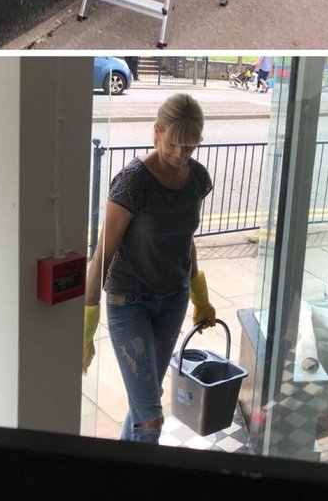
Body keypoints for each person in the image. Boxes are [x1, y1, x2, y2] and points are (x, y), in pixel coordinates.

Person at [82, 93, 215, 444]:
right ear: (156, 133)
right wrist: (87, 321)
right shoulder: (133, 182)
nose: (180, 155)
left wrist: (200, 296)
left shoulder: (198, 178)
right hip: (130, 303)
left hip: (174, 299)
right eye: (173, 144)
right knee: (152, 419)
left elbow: (186, 239)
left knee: (145, 406)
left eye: (189, 146)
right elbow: (103, 253)